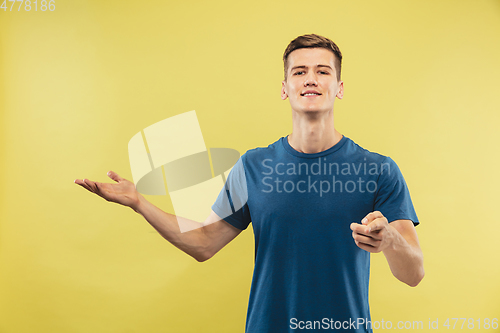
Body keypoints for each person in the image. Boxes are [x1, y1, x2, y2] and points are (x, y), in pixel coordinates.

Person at [75, 34, 424, 333]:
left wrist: (389, 239)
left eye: (323, 71)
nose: (311, 79)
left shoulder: (378, 169)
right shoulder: (254, 166)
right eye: (299, 72)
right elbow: (203, 244)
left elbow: (413, 273)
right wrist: (140, 202)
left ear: (340, 87)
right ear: (285, 88)